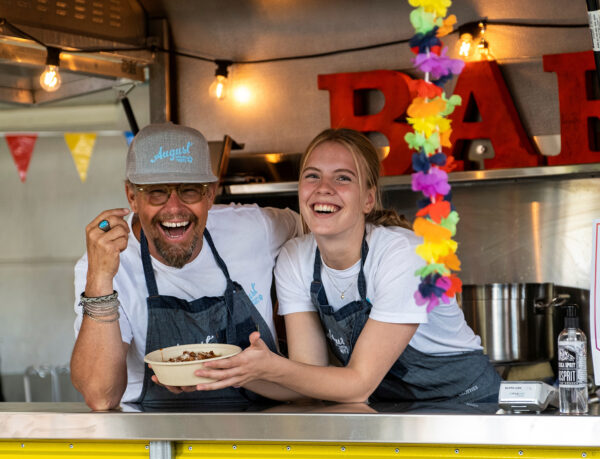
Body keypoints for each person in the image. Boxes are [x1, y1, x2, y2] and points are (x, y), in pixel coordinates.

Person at [191, 128, 502, 413]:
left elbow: (358, 385)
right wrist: (228, 372)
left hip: (467, 405)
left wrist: (270, 366)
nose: (323, 189)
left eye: (342, 178)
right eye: (312, 176)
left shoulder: (404, 255)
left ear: (368, 199)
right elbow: (306, 380)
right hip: (390, 408)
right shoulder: (295, 259)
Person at [71, 122, 301, 411]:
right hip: (152, 440)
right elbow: (101, 396)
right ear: (132, 197)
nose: (174, 208)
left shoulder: (254, 227)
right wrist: (100, 278)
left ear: (210, 194)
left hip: (261, 433)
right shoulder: (105, 263)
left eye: (190, 190)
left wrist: (290, 314)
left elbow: (317, 235)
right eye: (157, 192)